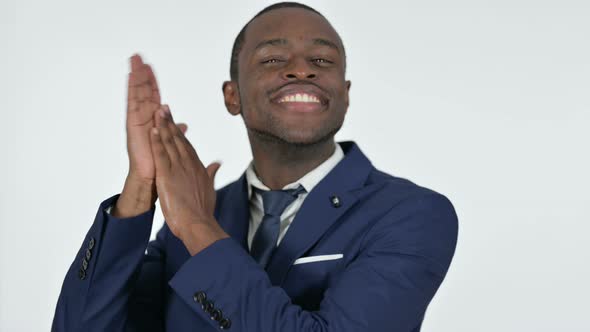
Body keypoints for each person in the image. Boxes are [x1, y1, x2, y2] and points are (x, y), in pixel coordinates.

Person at [51, 2, 458, 331]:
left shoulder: (412, 214)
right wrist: (140, 190)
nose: (302, 69)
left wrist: (198, 228)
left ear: (345, 95)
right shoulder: (197, 212)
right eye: (272, 59)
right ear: (233, 97)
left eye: (322, 58)